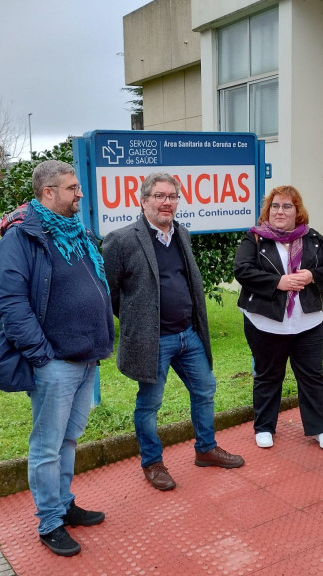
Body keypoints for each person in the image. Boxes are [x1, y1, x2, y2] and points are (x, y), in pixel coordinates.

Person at [0, 160, 113, 557]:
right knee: (46, 446)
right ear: (48, 194)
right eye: (72, 188)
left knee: (69, 439)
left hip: (87, 358)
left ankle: (64, 503)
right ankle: (49, 521)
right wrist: (41, 356)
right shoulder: (22, 239)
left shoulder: (79, 233)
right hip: (54, 362)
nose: (80, 194)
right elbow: (8, 302)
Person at [102, 172, 245, 491]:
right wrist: (137, 322)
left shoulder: (182, 233)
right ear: (143, 201)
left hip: (188, 335)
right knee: (150, 404)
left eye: (172, 197)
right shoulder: (121, 240)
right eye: (159, 196)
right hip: (153, 342)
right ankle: (152, 462)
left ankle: (206, 449)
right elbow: (109, 293)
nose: (166, 202)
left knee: (205, 388)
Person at [233, 185, 323, 450]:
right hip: (266, 321)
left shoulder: (313, 237)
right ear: (268, 211)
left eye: (286, 206)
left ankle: (320, 428)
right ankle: (264, 427)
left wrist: (312, 276)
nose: (280, 211)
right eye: (275, 206)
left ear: (297, 211)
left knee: (312, 375)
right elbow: (242, 270)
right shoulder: (255, 239)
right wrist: (278, 282)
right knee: (268, 375)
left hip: (308, 321)